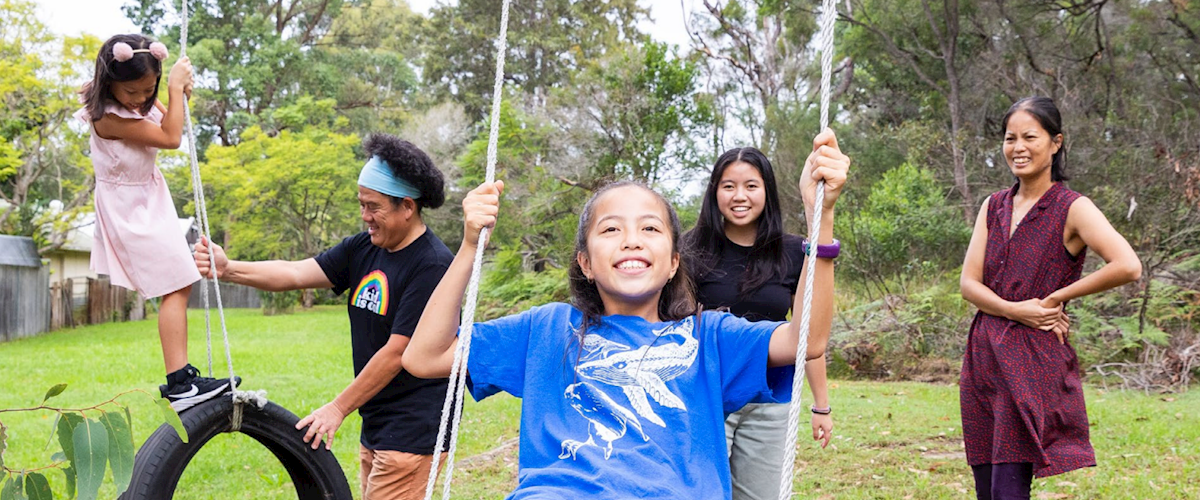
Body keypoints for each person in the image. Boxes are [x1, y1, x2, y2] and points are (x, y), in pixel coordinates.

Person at [404, 130, 849, 499]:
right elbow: (424, 356)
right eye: (611, 229)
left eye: (650, 229)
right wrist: (467, 247)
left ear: (674, 261)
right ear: (585, 261)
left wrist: (820, 218)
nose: (632, 240)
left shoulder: (710, 338)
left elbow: (806, 341)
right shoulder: (546, 329)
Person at [193, 133, 454, 500]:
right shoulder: (364, 247)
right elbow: (296, 273)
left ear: (407, 207)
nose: (365, 216)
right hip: (380, 420)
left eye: (373, 206)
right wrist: (228, 268)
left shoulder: (432, 265)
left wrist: (338, 407)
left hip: (416, 425)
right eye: (361, 204)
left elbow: (398, 352)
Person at [959, 97, 1142, 500]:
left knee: (1009, 484)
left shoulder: (1072, 207)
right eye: (1010, 138)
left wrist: (1056, 296)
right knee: (985, 481)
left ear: (1055, 143)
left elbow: (1128, 265)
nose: (1018, 147)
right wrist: (1013, 310)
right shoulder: (994, 206)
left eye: (1030, 137)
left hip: (1029, 355)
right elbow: (969, 284)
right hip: (983, 351)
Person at [76, 34, 238, 412]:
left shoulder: (139, 105)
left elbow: (168, 118)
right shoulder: (109, 118)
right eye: (132, 91)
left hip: (149, 200)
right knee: (177, 283)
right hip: (129, 208)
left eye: (148, 91)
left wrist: (177, 95)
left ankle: (183, 380)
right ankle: (180, 384)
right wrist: (173, 88)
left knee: (180, 282)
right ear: (108, 83)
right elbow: (171, 137)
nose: (140, 99)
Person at [683, 146, 833, 500]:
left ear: (767, 191)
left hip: (769, 398)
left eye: (751, 186)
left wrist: (821, 405)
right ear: (714, 192)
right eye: (728, 186)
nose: (739, 196)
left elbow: (808, 334)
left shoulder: (797, 251)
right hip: (707, 394)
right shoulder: (689, 249)